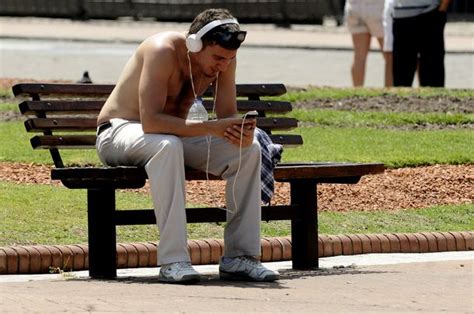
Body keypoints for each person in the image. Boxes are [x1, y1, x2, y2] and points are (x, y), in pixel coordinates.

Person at [95, 8, 279, 284]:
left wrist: (238, 132)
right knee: (167, 146)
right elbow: (151, 122)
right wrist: (210, 127)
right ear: (194, 43)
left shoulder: (225, 61)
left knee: (249, 150)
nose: (223, 66)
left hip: (169, 136)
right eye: (217, 57)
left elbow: (226, 112)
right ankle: (174, 260)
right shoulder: (161, 50)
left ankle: (240, 258)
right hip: (118, 133)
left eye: (228, 59)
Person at [389, 0, 452, 87]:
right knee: (401, 79)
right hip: (401, 14)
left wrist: (443, 6)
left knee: (432, 79)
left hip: (430, 13)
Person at [344, 0, 393, 87]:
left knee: (359, 56)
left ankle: (357, 93)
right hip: (378, 7)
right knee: (389, 56)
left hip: (354, 6)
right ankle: (390, 95)